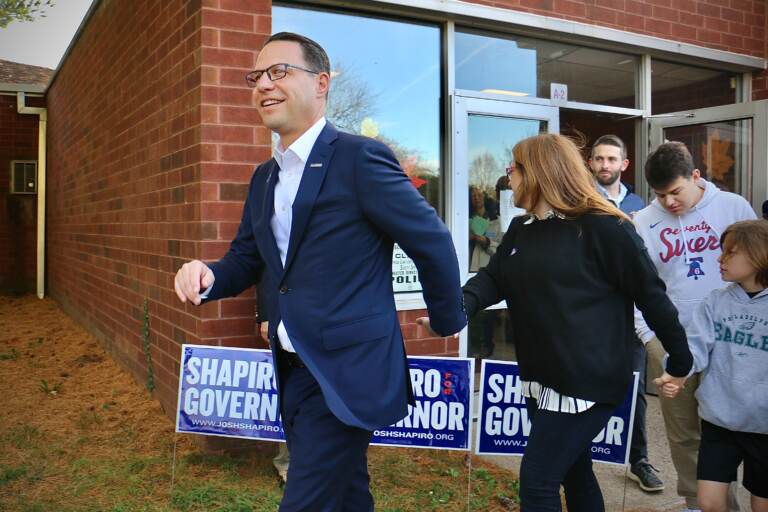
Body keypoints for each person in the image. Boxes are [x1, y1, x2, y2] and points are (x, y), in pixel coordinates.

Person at [173, 32, 466, 511]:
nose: (263, 84)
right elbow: (248, 258)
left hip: (347, 369)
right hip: (292, 367)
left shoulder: (359, 157)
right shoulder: (265, 177)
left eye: (279, 71)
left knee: (305, 500)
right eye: (257, 76)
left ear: (322, 83)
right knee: (348, 493)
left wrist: (447, 318)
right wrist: (207, 273)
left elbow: (430, 240)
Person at [424, 133, 693, 512]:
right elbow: (493, 279)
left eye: (514, 167)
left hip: (588, 381)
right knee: (575, 472)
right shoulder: (522, 228)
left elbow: (652, 297)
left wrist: (679, 362)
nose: (508, 175)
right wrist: (454, 312)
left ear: (539, 172)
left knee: (537, 482)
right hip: (542, 376)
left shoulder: (605, 228)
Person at [633, 141, 757, 512]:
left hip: (732, 341)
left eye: (676, 192)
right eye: (660, 195)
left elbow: (757, 265)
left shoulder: (733, 207)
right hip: (672, 343)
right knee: (683, 432)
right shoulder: (643, 222)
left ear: (696, 176)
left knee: (736, 428)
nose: (669, 202)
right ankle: (698, 503)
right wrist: (649, 337)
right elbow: (639, 285)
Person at [588, 134, 663, 492]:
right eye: (599, 159)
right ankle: (578, 456)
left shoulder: (643, 207)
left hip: (631, 316)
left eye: (611, 159)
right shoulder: (579, 202)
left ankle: (639, 460)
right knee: (582, 387)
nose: (605, 165)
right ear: (591, 163)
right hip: (590, 315)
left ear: (624, 164)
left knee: (633, 392)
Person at [685, 220, 768, 512]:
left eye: (730, 253)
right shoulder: (715, 302)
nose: (720, 259)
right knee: (708, 503)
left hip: (764, 426)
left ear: (759, 255)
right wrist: (677, 371)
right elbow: (695, 347)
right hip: (719, 419)